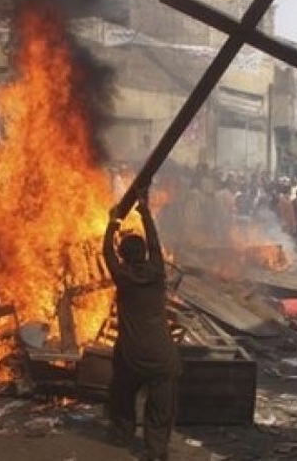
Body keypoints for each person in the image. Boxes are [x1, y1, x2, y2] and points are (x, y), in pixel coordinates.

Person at [102, 189, 181, 461]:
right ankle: (156, 450)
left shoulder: (122, 275)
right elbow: (155, 242)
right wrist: (145, 210)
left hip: (131, 353)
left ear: (123, 256)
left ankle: (122, 431)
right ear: (145, 254)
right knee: (161, 404)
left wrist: (114, 221)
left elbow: (105, 251)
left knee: (121, 390)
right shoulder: (157, 270)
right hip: (161, 354)